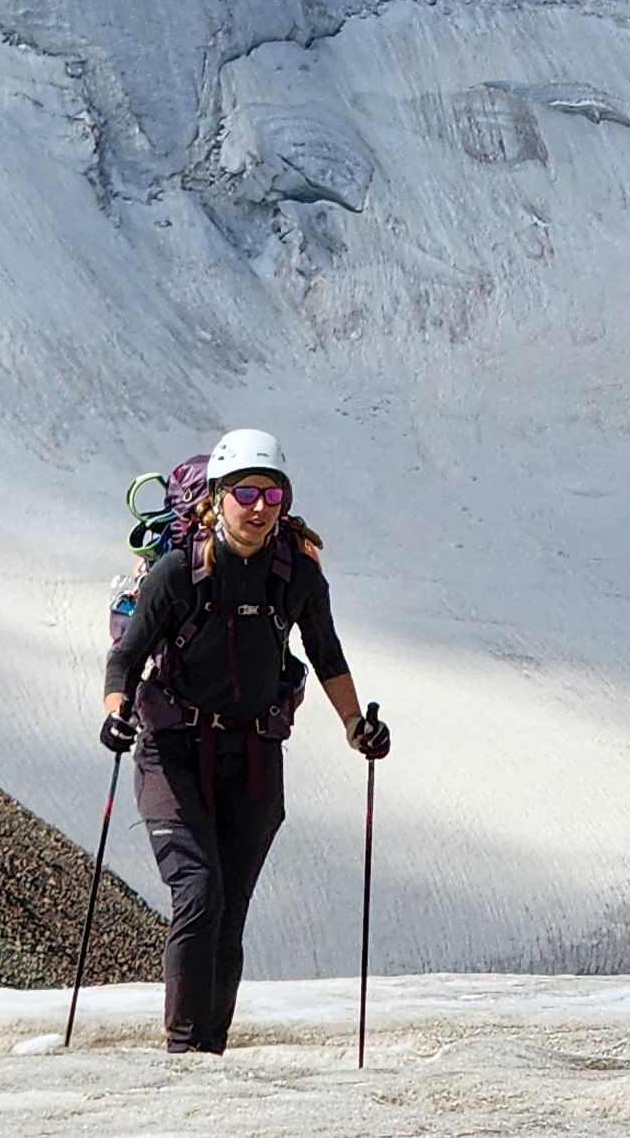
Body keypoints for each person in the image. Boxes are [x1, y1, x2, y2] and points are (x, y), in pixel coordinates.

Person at [98, 426, 387, 1055]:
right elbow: (126, 658)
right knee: (200, 892)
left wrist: (354, 728)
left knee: (228, 914)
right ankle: (183, 1054)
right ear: (218, 498)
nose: (260, 506)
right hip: (171, 754)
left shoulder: (296, 576)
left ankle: (209, 1052)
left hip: (254, 756)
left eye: (272, 494)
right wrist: (117, 710)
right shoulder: (179, 571)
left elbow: (326, 655)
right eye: (246, 492)